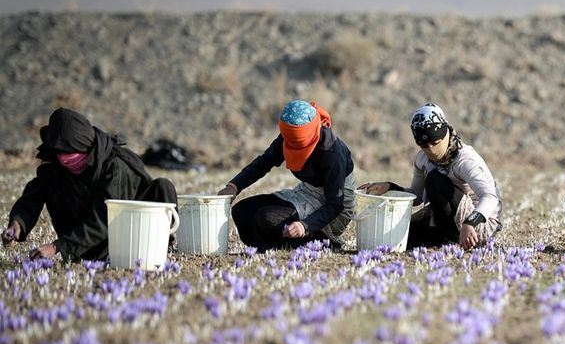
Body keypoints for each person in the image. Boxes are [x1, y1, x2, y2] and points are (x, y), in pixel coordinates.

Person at [2, 108, 177, 261]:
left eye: (70, 152)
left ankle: (162, 248)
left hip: (127, 240)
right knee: (52, 181)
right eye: (59, 153)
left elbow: (104, 220)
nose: (64, 159)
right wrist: (18, 223)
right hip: (84, 248)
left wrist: (57, 247)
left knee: (162, 186)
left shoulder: (115, 167)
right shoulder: (55, 167)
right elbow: (33, 196)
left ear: (84, 146)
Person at [359, 103, 501, 250]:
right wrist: (389, 187)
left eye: (435, 143)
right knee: (402, 236)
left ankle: (450, 240)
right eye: (425, 146)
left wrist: (470, 223)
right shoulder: (422, 159)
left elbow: (490, 198)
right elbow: (417, 197)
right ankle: (444, 238)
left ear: (445, 133)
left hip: (478, 225)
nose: (432, 151)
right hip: (444, 218)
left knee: (435, 179)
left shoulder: (464, 160)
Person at [218, 100, 355, 251]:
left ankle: (321, 242)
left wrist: (305, 226)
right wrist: (234, 186)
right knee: (242, 211)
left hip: (334, 207)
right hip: (306, 193)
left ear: (308, 132)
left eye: (297, 142)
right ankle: (268, 248)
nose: (292, 146)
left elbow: (335, 205)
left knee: (265, 218)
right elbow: (264, 162)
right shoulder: (289, 137)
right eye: (289, 141)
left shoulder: (332, 152)